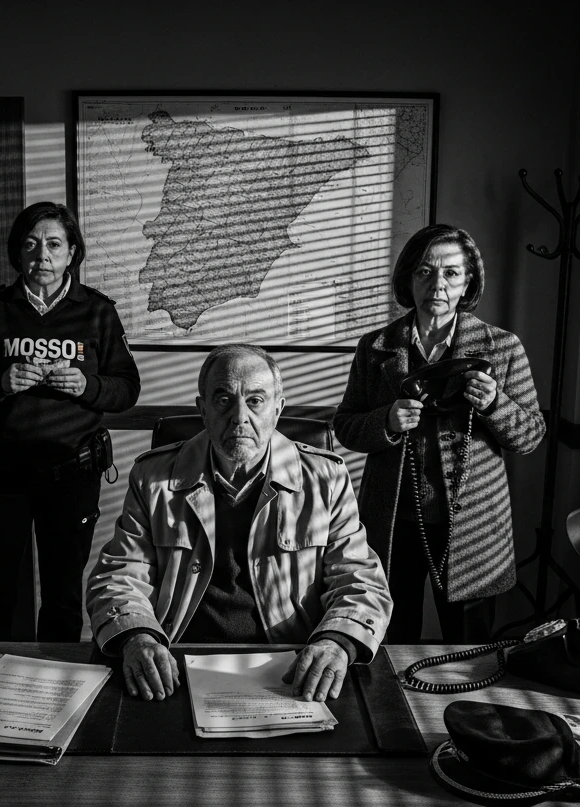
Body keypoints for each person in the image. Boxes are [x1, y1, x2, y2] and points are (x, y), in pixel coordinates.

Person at [87, 344, 392, 702]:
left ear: (277, 409)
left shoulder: (325, 478)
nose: (239, 417)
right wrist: (137, 636)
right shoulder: (153, 477)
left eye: (256, 400)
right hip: (178, 661)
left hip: (288, 664)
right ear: (202, 409)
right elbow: (120, 573)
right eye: (222, 399)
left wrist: (337, 641)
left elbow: (360, 579)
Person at [333, 224, 544, 644]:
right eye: (425, 272)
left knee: (469, 647)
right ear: (408, 279)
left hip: (473, 526)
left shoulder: (502, 347)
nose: (438, 285)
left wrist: (494, 404)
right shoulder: (375, 347)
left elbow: (530, 435)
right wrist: (386, 422)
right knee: (388, 637)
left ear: (468, 282)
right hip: (393, 521)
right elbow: (345, 426)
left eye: (451, 273)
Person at [0, 201, 140, 642]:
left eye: (54, 244)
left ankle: (58, 690)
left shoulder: (97, 311)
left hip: (71, 473)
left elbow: (127, 388)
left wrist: (87, 386)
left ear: (72, 252)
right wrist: (1, 380)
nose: (42, 256)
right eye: (31, 245)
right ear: (17, 253)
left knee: (62, 596)